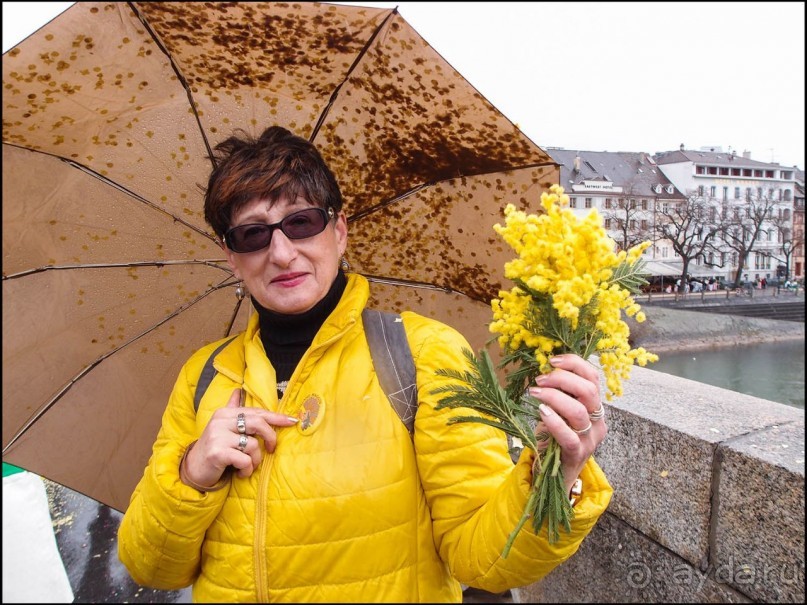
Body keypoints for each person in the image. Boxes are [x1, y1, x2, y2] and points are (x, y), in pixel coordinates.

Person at [117, 126, 612, 602]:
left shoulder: (420, 354)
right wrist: (191, 474)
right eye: (252, 234)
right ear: (231, 256)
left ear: (339, 230)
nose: (283, 253)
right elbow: (152, 568)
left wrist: (556, 474)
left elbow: (482, 561)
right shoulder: (205, 375)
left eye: (301, 222)